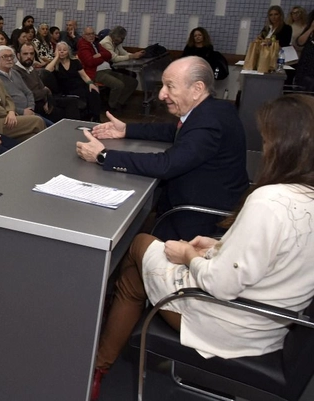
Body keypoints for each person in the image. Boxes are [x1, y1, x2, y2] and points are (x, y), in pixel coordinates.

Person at [89, 94, 314, 401]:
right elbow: (276, 254)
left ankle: (98, 366)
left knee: (140, 244)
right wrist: (219, 246)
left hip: (227, 322)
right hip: (268, 327)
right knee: (135, 275)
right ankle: (101, 362)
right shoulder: (304, 197)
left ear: (287, 146)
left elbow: (220, 284)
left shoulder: (270, 201)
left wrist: (189, 255)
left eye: (267, 140)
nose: (263, 149)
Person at [76, 56, 250, 241]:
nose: (161, 94)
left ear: (197, 89)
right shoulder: (215, 109)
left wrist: (103, 155)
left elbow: (166, 165)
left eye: (170, 86)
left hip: (201, 218)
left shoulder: (209, 123)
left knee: (133, 242)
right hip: (200, 200)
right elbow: (173, 131)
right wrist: (127, 129)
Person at [0, 50, 45, 141]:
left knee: (31, 136)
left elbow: (8, 99)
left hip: (8, 116)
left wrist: (11, 111)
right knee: (37, 121)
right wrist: (10, 113)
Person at [15, 42, 79, 122]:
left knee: (72, 102)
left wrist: (47, 99)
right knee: (59, 113)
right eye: (25, 54)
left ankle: (75, 130)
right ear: (18, 55)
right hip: (32, 105)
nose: (29, 57)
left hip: (43, 100)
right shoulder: (16, 71)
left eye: (31, 54)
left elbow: (44, 89)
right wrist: (44, 93)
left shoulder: (31, 69)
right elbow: (30, 94)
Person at [78, 26, 137, 112]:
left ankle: (119, 102)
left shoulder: (96, 43)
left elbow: (108, 54)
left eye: (92, 34)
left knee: (132, 82)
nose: (91, 36)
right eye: (88, 34)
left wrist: (100, 55)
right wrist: (102, 57)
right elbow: (90, 62)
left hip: (107, 69)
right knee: (118, 85)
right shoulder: (83, 46)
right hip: (96, 72)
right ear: (83, 35)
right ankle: (111, 106)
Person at [0, 45, 53, 128]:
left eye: (11, 56)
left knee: (52, 127)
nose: (9, 59)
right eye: (5, 56)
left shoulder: (15, 73)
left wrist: (31, 108)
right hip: (15, 115)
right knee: (45, 127)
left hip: (30, 111)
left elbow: (28, 93)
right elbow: (3, 104)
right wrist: (22, 111)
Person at [47, 42, 103, 121]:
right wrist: (56, 57)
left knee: (94, 92)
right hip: (66, 90)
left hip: (79, 86)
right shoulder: (55, 65)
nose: (62, 52)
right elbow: (46, 71)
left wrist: (90, 83)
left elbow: (84, 75)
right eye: (59, 50)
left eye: (64, 50)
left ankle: (96, 118)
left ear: (68, 52)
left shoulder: (75, 61)